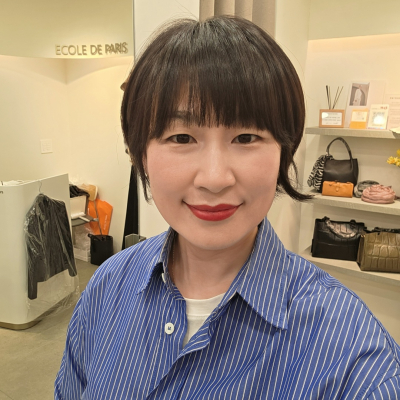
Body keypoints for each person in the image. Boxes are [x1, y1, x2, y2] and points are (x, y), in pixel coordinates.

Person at [55, 16, 400, 399]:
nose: (215, 178)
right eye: (181, 137)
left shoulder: (356, 359)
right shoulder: (108, 285)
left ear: (284, 152)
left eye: (246, 137)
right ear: (141, 156)